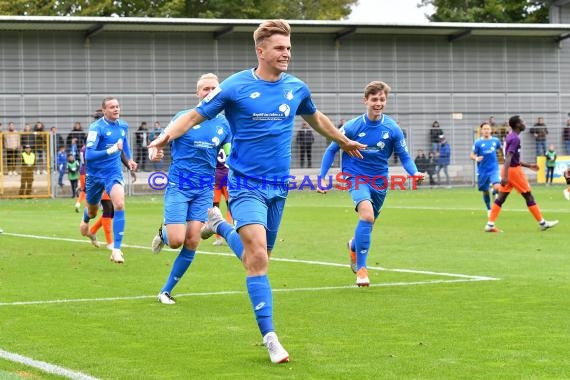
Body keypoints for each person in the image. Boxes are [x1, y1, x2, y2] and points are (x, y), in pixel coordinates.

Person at [148, 19, 364, 364]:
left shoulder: (296, 88)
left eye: (289, 48)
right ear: (260, 50)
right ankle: (271, 337)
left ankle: (218, 224)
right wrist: (164, 137)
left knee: (255, 258)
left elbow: (316, 117)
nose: (286, 54)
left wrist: (342, 139)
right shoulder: (234, 87)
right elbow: (192, 116)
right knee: (259, 258)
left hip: (279, 187)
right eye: (280, 48)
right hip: (245, 185)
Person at [317, 80, 424, 286]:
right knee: (366, 214)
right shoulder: (352, 126)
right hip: (355, 176)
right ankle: (362, 269)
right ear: (365, 100)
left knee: (369, 222)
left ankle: (353, 246)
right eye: (374, 99)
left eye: (382, 99)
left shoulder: (392, 128)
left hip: (379, 179)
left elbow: (404, 155)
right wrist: (322, 179)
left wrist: (414, 172)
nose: (378, 103)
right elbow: (332, 150)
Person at [150, 73, 231, 304]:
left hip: (204, 189)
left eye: (213, 89)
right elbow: (162, 139)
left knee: (192, 240)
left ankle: (165, 291)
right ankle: (162, 234)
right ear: (198, 93)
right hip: (179, 186)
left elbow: (230, 151)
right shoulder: (183, 118)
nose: (209, 92)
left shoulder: (224, 124)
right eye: (205, 89)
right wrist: (155, 151)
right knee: (176, 240)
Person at [79, 97, 137, 264]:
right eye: (112, 107)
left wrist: (130, 161)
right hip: (95, 175)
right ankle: (85, 218)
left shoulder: (123, 125)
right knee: (92, 211)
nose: (116, 109)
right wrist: (111, 150)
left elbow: (124, 145)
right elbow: (88, 155)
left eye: (117, 106)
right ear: (104, 110)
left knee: (119, 204)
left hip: (113, 173)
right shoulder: (96, 128)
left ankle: (116, 250)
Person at [485, 115, 558, 233]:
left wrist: (529, 166)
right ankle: (543, 223)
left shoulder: (510, 137)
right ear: (518, 125)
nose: (524, 123)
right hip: (513, 171)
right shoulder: (515, 139)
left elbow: (512, 158)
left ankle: (490, 224)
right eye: (522, 121)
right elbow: (508, 156)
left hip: (508, 169)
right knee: (528, 195)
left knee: (501, 198)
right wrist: (505, 176)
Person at [471, 122, 502, 214]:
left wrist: (503, 161)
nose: (486, 131)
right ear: (481, 131)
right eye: (484, 129)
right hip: (482, 170)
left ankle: (494, 191)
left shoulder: (496, 141)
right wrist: (476, 158)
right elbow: (472, 155)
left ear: (491, 130)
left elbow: (500, 150)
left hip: (493, 169)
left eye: (488, 129)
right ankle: (489, 209)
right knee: (485, 191)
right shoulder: (478, 142)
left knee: (498, 187)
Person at [211, 146, 232, 246]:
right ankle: (230, 232)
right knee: (231, 208)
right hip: (227, 178)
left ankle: (219, 237)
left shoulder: (213, 145)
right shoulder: (228, 145)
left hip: (216, 179)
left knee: (215, 209)